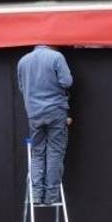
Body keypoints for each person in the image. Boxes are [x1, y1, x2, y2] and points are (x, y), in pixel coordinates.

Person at [17, 45, 73, 205]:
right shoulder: (56, 57)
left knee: (38, 153)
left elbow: (22, 88)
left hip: (34, 113)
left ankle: (35, 195)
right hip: (56, 110)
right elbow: (67, 82)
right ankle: (51, 196)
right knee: (55, 152)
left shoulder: (23, 61)